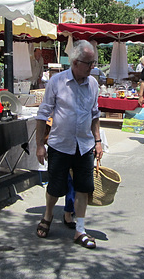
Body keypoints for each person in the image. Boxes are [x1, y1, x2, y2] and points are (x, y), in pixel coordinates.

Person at [35, 40, 103, 249]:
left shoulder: (93, 84)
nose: (92, 67)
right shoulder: (56, 82)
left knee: (83, 188)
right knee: (55, 187)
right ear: (74, 62)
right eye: (88, 63)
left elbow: (95, 114)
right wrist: (40, 145)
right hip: (60, 144)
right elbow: (43, 114)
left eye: (93, 63)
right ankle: (47, 216)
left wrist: (98, 140)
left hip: (84, 146)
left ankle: (80, 230)